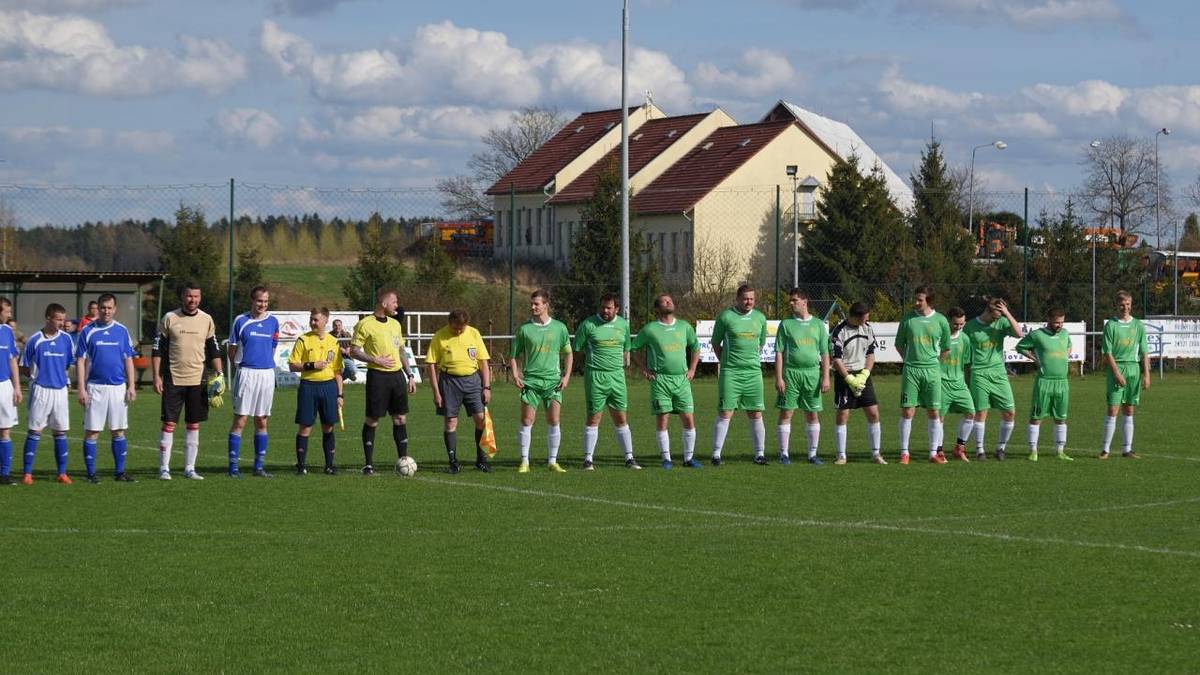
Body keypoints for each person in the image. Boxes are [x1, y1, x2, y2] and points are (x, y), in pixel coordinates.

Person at [153, 282, 224, 481]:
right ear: (182, 297)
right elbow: (157, 348)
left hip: (198, 380)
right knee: (169, 424)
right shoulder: (169, 318)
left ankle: (189, 468)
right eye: (189, 296)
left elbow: (214, 349)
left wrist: (220, 374)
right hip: (173, 379)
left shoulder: (206, 320)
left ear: (200, 298)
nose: (192, 300)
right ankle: (164, 468)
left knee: (193, 424)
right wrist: (157, 375)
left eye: (196, 296)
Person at [349, 288, 416, 475]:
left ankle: (403, 460)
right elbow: (354, 350)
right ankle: (368, 464)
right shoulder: (365, 324)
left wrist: (410, 375)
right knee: (373, 419)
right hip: (378, 377)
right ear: (384, 303)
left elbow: (402, 351)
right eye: (394, 302)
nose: (397, 305)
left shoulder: (395, 325)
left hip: (397, 377)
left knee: (400, 418)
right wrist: (375, 359)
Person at [631, 293, 702, 469]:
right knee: (663, 420)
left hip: (682, 380)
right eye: (664, 301)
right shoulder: (650, 329)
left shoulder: (684, 327)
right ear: (657, 308)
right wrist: (644, 369)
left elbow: (695, 347)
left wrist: (692, 369)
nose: (668, 302)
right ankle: (666, 459)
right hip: (660, 380)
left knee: (688, 419)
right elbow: (633, 349)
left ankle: (688, 459)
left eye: (670, 300)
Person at [74, 293, 137, 483]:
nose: (106, 311)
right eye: (103, 307)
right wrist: (81, 388)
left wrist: (132, 385)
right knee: (92, 431)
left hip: (118, 387)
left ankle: (119, 472)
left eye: (110, 308)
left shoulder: (122, 331)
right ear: (97, 308)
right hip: (95, 387)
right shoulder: (88, 331)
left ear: (115, 309)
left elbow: (128, 359)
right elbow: (80, 361)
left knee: (118, 430)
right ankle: (91, 474)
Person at [509, 289, 572, 473]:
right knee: (527, 420)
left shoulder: (559, 328)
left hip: (553, 382)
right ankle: (524, 461)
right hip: (531, 382)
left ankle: (552, 461)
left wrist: (566, 376)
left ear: (546, 305)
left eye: (537, 304)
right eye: (532, 303)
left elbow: (568, 354)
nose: (533, 307)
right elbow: (513, 356)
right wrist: (515, 375)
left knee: (554, 420)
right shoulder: (524, 329)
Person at [574, 293, 638, 470]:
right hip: (596, 377)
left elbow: (626, 349)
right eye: (603, 307)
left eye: (609, 307)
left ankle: (629, 458)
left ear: (616, 309)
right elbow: (577, 349)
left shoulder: (623, 325)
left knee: (621, 417)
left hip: (617, 377)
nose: (605, 310)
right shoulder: (588, 324)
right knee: (594, 417)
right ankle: (588, 460)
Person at [426, 309, 492, 473]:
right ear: (450, 323)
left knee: (480, 419)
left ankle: (481, 460)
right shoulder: (439, 336)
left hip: (472, 381)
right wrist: (436, 391)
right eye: (455, 328)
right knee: (450, 422)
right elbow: (431, 365)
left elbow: (483, 363)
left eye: (461, 328)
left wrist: (486, 387)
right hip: (449, 382)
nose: (458, 331)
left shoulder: (474, 333)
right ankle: (453, 462)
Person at [710, 284, 768, 466]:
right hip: (731, 373)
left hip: (753, 373)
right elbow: (715, 343)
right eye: (745, 298)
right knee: (725, 412)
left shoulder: (760, 318)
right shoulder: (726, 316)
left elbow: (761, 344)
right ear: (737, 299)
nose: (748, 302)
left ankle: (760, 454)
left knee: (756, 413)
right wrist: (726, 362)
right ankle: (716, 455)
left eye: (751, 298)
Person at [894, 286, 952, 465]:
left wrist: (935, 364)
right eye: (916, 299)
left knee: (934, 411)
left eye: (920, 299)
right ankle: (904, 453)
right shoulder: (908, 319)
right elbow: (899, 344)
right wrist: (909, 361)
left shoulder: (941, 320)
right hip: (911, 370)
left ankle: (933, 453)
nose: (916, 302)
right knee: (907, 410)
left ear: (929, 300)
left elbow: (946, 348)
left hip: (933, 371)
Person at [227, 286, 280, 478]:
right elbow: (232, 349)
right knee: (241, 420)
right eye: (259, 301)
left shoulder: (273, 322)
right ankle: (233, 467)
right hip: (247, 373)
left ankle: (259, 467)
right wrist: (240, 366)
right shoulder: (241, 321)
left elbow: (273, 346)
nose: (263, 305)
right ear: (252, 300)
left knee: (262, 420)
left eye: (266, 301)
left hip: (266, 374)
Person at [773, 288, 830, 465]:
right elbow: (779, 352)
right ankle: (784, 454)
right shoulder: (786, 324)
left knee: (812, 414)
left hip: (812, 375)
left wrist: (826, 376)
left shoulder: (819, 325)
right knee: (786, 412)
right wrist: (779, 377)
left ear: (804, 302)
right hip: (791, 374)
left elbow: (825, 353)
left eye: (794, 300)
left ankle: (812, 455)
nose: (791, 303)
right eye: (790, 300)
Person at [19, 303, 75, 484]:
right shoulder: (35, 340)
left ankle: (62, 473)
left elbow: (68, 364)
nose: (61, 322)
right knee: (35, 430)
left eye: (63, 319)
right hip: (41, 390)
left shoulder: (66, 339)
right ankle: (27, 473)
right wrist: (38, 376)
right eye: (58, 319)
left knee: (60, 432)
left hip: (60, 391)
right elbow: (24, 366)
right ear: (48, 318)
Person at [963, 297, 1024, 460]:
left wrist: (1006, 313)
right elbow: (964, 355)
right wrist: (966, 379)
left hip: (998, 373)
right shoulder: (970, 327)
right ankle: (979, 450)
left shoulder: (1002, 322)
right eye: (997, 315)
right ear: (988, 310)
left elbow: (1019, 334)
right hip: (978, 374)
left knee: (1010, 412)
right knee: (981, 413)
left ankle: (1000, 448)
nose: (999, 318)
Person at [289, 307, 343, 475]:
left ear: (326, 320)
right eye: (311, 319)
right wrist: (312, 365)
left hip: (329, 387)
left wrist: (340, 394)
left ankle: (329, 465)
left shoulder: (333, 342)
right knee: (305, 426)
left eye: (316, 319)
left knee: (328, 427)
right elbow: (292, 365)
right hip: (308, 386)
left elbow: (338, 371)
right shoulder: (303, 340)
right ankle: (301, 465)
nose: (312, 322)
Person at [830, 302, 886, 465]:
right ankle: (841, 455)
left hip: (862, 375)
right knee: (843, 415)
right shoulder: (839, 331)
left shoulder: (867, 328)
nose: (867, 320)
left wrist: (864, 374)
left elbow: (870, 354)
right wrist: (849, 379)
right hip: (845, 376)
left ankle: (876, 454)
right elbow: (837, 360)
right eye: (865, 317)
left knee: (873, 413)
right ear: (856, 316)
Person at [1016, 308, 1074, 461]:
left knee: (1061, 417)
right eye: (1056, 322)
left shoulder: (1065, 333)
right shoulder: (1037, 335)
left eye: (1061, 322)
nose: (1059, 325)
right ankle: (1033, 450)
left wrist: (1065, 356)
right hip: (1044, 382)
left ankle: (1060, 451)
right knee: (1037, 416)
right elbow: (1020, 347)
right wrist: (1035, 359)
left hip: (1062, 382)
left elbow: (1069, 345)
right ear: (1048, 319)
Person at [1099, 290, 1150, 459]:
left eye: (1128, 304)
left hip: (1133, 369)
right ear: (1117, 305)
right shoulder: (1111, 325)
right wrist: (1116, 373)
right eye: (1122, 304)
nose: (1125, 307)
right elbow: (1108, 352)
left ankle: (1127, 449)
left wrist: (1147, 374)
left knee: (1129, 409)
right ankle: (1105, 450)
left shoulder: (1138, 325)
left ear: (1131, 304)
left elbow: (1144, 352)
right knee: (1113, 409)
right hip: (1117, 368)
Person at [938, 307, 976, 463]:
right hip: (941, 383)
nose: (959, 327)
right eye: (955, 324)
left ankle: (959, 448)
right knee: (939, 418)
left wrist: (967, 384)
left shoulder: (965, 339)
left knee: (971, 413)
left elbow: (966, 364)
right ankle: (938, 451)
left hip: (959, 384)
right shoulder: (939, 338)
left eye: (961, 324)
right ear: (949, 321)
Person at [0, 298, 23, 485]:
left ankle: (4, 474)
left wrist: (17, 387)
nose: (9, 315)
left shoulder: (7, 331)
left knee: (5, 430)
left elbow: (12, 360)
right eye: (7, 311)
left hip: (4, 386)